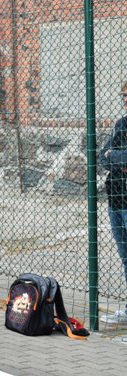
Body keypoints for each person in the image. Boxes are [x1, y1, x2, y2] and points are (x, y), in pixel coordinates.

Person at [100, 80, 127, 326]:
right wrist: (116, 157)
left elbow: (112, 155)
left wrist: (114, 155)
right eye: (124, 96)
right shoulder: (121, 124)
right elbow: (103, 156)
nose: (125, 100)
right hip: (116, 199)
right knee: (125, 256)